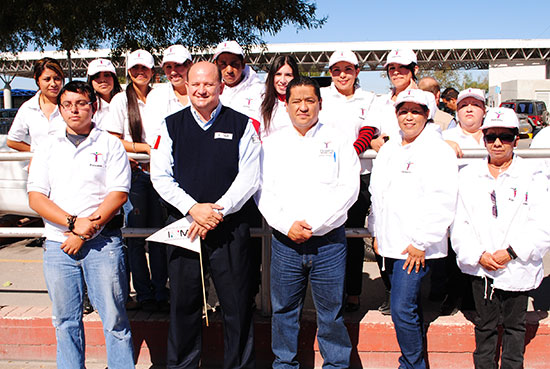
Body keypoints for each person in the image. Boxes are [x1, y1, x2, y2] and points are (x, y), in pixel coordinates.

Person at [150, 61, 260, 369]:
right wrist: (193, 209)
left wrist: (217, 211)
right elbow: (160, 177)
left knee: (236, 306)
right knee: (184, 305)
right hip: (185, 227)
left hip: (229, 228)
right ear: (185, 86)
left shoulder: (242, 124)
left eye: (208, 84)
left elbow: (249, 177)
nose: (201, 90)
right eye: (195, 84)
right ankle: (182, 365)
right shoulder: (170, 125)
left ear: (221, 87)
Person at [27, 81, 134, 368]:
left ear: (94, 106)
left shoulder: (110, 144)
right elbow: (36, 197)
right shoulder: (48, 146)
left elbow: (118, 194)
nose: (74, 110)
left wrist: (85, 232)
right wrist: (74, 225)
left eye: (81, 103)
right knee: (65, 321)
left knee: (114, 320)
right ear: (60, 109)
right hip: (58, 244)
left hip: (103, 245)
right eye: (67, 104)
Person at [256, 76, 360, 369]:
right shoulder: (271, 144)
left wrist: (313, 224)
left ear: (320, 104)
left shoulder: (338, 140)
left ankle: (336, 365)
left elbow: (348, 189)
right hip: (285, 242)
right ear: (286, 105)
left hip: (328, 243)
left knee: (331, 313)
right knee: (284, 311)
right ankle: (285, 364)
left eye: (309, 101)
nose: (303, 107)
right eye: (296, 101)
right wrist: (286, 224)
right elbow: (262, 191)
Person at [451, 107, 550, 369]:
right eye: (491, 136)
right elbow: (459, 222)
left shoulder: (533, 176)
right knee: (484, 327)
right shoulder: (468, 176)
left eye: (504, 137)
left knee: (515, 327)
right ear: (483, 139)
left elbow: (543, 222)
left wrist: (512, 252)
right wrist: (478, 254)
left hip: (516, 265)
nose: (497, 143)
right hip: (482, 267)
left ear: (516, 139)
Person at [368, 89, 458, 369]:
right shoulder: (391, 148)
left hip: (415, 248)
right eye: (403, 111)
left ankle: (411, 364)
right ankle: (415, 361)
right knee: (410, 308)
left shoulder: (437, 150)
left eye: (415, 111)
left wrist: (421, 241)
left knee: (401, 309)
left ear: (427, 114)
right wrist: (377, 233)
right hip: (391, 244)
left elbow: (443, 199)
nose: (408, 117)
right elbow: (377, 195)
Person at [105, 49, 169, 312]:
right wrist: (141, 149)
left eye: (144, 68)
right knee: (135, 236)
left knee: (159, 235)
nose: (140, 73)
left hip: (162, 175)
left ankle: (160, 290)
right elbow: (112, 138)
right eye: (135, 69)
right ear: (128, 71)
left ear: (153, 71)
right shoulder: (121, 101)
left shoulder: (161, 96)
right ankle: (143, 293)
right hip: (137, 175)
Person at [319, 49, 377, 312]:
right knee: (329, 232)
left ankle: (353, 291)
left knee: (353, 234)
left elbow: (368, 130)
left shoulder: (369, 98)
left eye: (348, 69)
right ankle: (330, 292)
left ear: (357, 71)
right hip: (326, 175)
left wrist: (350, 154)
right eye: (336, 70)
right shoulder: (321, 97)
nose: (342, 75)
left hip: (359, 174)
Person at [365, 48, 421, 315]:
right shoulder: (380, 102)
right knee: (380, 231)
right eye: (392, 69)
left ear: (414, 70)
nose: (396, 73)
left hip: (413, 176)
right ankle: (391, 290)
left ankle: (410, 294)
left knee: (413, 234)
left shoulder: (422, 99)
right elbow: (368, 130)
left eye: (403, 68)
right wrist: (373, 140)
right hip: (384, 175)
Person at [7, 57, 65, 152]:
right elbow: (12, 141)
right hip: (39, 166)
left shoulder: (71, 105)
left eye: (57, 79)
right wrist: (38, 153)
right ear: (37, 80)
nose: (53, 84)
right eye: (47, 79)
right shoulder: (28, 108)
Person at [145, 44, 193, 135]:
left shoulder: (204, 93)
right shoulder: (156, 96)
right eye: (168, 67)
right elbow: (153, 134)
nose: (173, 72)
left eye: (178, 65)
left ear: (190, 65)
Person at [213, 40, 264, 120]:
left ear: (243, 64)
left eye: (234, 64)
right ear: (215, 64)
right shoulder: (210, 91)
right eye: (223, 64)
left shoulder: (260, 91)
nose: (229, 70)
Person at [259, 55, 299, 137]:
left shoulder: (303, 105)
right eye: (278, 74)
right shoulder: (261, 102)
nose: (283, 80)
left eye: (288, 75)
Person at [86, 58, 122, 130]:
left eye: (107, 75)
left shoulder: (124, 101)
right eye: (97, 76)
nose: (103, 80)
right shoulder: (88, 106)